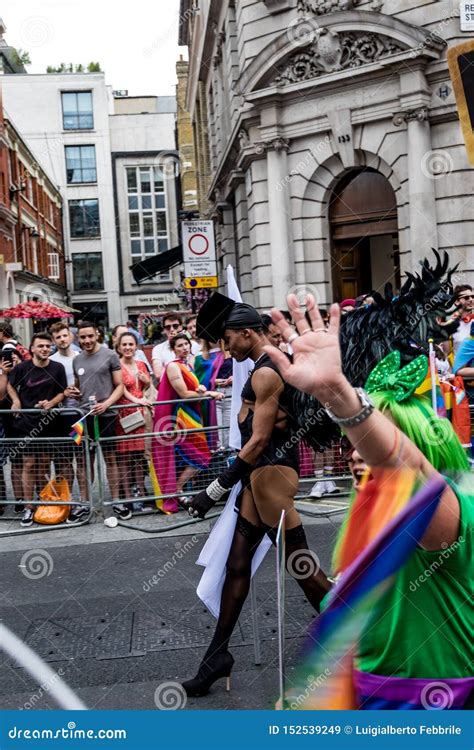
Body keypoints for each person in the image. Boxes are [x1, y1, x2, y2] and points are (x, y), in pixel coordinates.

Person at [264, 294, 472, 710]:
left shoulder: (449, 516)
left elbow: (402, 468)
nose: (357, 452)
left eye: (372, 443)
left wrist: (339, 395)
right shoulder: (368, 525)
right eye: (353, 444)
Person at [180, 294, 332, 697]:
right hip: (259, 479)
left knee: (304, 572)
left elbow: (259, 440)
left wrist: (211, 492)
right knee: (236, 567)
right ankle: (217, 656)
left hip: (270, 476)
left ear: (247, 333)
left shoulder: (266, 372)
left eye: (229, 338)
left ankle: (363, 641)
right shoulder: (266, 365)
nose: (226, 347)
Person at [152, 334, 222, 514]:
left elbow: (193, 388)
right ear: (173, 349)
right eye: (180, 345)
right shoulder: (174, 366)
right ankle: (177, 489)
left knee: (196, 456)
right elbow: (183, 394)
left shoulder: (187, 365)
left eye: (186, 344)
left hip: (192, 416)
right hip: (182, 418)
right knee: (201, 456)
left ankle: (178, 489)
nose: (184, 347)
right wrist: (209, 394)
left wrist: (203, 389)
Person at [67, 321, 130, 522]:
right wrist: (75, 392)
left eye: (90, 336)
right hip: (83, 418)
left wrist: (107, 404)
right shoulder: (77, 360)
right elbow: (79, 388)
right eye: (82, 337)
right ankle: (85, 503)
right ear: (78, 338)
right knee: (85, 461)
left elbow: (120, 385)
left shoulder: (110, 355)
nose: (86, 340)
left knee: (111, 459)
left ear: (97, 334)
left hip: (107, 415)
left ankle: (117, 501)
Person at [7, 332, 67, 527]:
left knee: (43, 463)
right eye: (40, 346)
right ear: (32, 348)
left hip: (49, 422)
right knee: (29, 464)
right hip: (25, 423)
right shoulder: (23, 368)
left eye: (47, 346)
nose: (44, 349)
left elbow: (63, 392)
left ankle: (43, 502)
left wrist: (51, 403)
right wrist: (16, 400)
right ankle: (28, 507)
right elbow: (9, 385)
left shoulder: (57, 368)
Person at [115, 332, 152, 509]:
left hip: (141, 413)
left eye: (131, 344)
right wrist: (136, 400)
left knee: (138, 456)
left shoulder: (141, 364)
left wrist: (147, 381)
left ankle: (142, 493)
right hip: (125, 413)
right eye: (125, 344)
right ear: (119, 347)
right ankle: (128, 496)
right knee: (124, 457)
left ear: (136, 346)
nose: (128, 347)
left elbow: (148, 386)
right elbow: (120, 389)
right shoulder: (117, 365)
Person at [50, 322, 81, 490]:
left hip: (79, 416)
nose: (62, 339)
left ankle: (84, 501)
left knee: (82, 458)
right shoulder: (51, 361)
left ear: (71, 336)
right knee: (63, 459)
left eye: (64, 335)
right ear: (54, 341)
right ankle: (66, 498)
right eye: (58, 337)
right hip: (60, 417)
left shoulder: (80, 356)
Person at [194, 339, 233, 450]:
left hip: (230, 393)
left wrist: (234, 378)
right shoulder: (200, 356)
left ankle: (229, 457)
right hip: (213, 395)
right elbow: (198, 381)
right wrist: (213, 381)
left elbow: (240, 371)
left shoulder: (229, 351)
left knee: (228, 429)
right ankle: (217, 456)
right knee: (216, 429)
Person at [152, 313, 200, 382]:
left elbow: (197, 369)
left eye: (175, 326)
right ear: (164, 330)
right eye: (168, 327)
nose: (172, 329)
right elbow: (158, 375)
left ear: (180, 327)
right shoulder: (158, 349)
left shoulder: (193, 345)